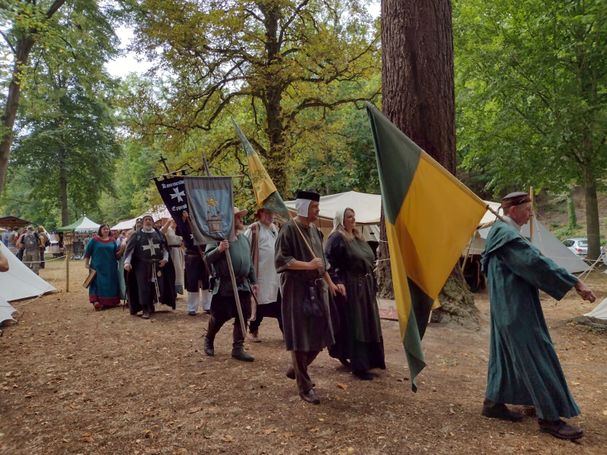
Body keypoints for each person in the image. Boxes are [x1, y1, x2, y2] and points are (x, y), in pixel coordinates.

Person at [481, 191, 596, 441]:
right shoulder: (507, 236)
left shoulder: (500, 233)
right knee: (538, 356)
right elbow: (536, 263)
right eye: (527, 209)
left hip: (506, 308)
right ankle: (550, 418)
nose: (531, 214)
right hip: (515, 310)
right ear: (513, 210)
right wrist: (574, 282)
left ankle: (493, 403)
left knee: (505, 355)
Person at [275, 190, 339, 405]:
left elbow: (322, 263)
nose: (318, 210)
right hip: (295, 288)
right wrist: (308, 265)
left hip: (317, 288)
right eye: (314, 206)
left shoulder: (315, 231)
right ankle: (304, 386)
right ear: (303, 207)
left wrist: (330, 283)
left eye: (317, 206)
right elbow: (281, 260)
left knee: (321, 334)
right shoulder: (288, 229)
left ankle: (296, 368)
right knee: (299, 336)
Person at [325, 208, 385, 380]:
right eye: (349, 217)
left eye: (353, 216)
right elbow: (329, 262)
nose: (353, 219)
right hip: (351, 286)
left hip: (365, 286)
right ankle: (359, 366)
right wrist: (337, 281)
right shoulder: (337, 238)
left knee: (369, 323)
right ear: (341, 220)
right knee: (357, 325)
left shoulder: (358, 236)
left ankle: (371, 360)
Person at [203, 207, 258, 361]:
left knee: (243, 315)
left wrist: (254, 280)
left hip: (243, 284)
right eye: (238, 217)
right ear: (229, 220)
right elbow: (207, 258)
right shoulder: (217, 237)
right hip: (225, 285)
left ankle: (238, 348)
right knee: (220, 316)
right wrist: (219, 249)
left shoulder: (244, 239)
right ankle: (209, 339)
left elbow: (249, 262)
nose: (241, 219)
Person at [124, 214, 175, 319]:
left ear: (153, 222)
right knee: (143, 287)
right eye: (146, 220)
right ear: (143, 223)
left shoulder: (159, 234)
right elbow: (130, 250)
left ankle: (151, 305)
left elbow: (165, 248)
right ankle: (145, 309)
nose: (148, 221)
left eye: (150, 220)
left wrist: (165, 259)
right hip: (141, 265)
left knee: (154, 286)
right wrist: (127, 262)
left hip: (156, 265)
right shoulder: (136, 235)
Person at [244, 208, 282, 341]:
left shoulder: (274, 229)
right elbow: (245, 250)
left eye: (272, 213)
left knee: (279, 304)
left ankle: (287, 332)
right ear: (260, 213)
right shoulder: (253, 230)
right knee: (259, 303)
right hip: (260, 276)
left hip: (275, 275)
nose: (270, 216)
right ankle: (253, 330)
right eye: (267, 213)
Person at [178, 211, 212, 316]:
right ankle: (192, 307)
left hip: (204, 256)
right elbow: (179, 231)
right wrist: (184, 220)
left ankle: (207, 306)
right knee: (192, 282)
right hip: (192, 258)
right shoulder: (186, 224)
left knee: (206, 282)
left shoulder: (204, 224)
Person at [84, 224, 122, 311]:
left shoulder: (113, 240)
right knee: (97, 283)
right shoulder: (94, 240)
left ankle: (111, 302)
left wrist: (123, 248)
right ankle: (96, 301)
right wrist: (86, 263)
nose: (106, 230)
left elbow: (116, 254)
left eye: (107, 229)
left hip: (111, 267)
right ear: (100, 230)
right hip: (97, 266)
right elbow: (88, 252)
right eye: (104, 229)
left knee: (110, 284)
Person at [161, 219, 185, 295]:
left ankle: (178, 289)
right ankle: (172, 290)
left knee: (179, 270)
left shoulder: (179, 230)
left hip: (179, 251)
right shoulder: (168, 229)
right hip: (171, 251)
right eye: (173, 221)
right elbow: (161, 232)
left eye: (176, 221)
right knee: (173, 270)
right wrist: (168, 222)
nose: (175, 223)